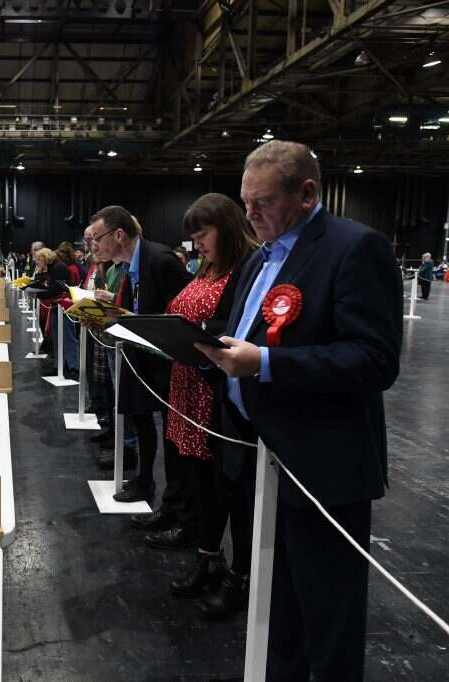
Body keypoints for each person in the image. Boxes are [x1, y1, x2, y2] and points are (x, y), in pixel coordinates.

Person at [196, 140, 402, 681]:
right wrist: (198, 349)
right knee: (278, 607)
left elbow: (374, 360)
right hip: (261, 455)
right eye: (245, 202)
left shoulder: (356, 248)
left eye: (262, 202)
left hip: (322, 467)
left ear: (307, 193)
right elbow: (237, 332)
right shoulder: (258, 258)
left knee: (328, 618)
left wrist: (264, 363)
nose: (251, 214)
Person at [150, 194, 260, 617]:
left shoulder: (245, 266)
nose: (197, 243)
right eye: (193, 237)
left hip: (215, 392)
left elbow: (235, 327)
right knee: (201, 482)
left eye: (203, 234)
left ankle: (235, 572)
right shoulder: (207, 266)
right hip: (187, 384)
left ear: (226, 227)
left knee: (226, 487)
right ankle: (207, 558)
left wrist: (189, 331)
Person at [87, 206, 191, 503]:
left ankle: (173, 501)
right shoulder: (128, 266)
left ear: (118, 234)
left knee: (170, 436)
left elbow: (184, 313)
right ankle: (144, 481)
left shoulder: (159, 260)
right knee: (141, 421)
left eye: (98, 238)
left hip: (165, 364)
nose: (95, 246)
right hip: (139, 357)